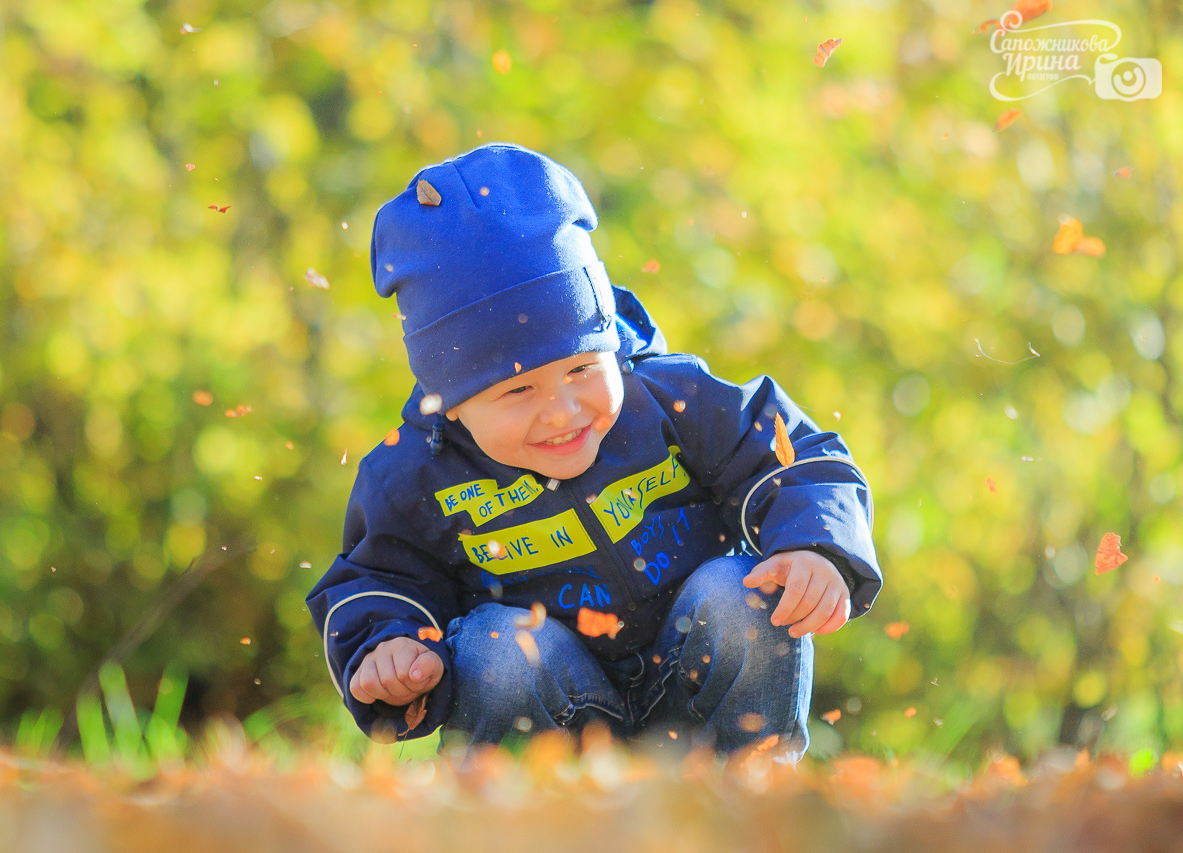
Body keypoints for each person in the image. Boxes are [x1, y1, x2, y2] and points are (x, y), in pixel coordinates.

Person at [305, 142, 882, 761]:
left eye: (582, 369)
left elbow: (793, 454)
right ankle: (519, 816)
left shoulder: (669, 399)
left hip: (696, 693)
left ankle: (749, 796)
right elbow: (377, 577)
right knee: (498, 644)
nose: (562, 410)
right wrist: (390, 648)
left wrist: (814, 545)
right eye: (519, 390)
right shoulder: (415, 475)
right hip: (552, 717)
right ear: (452, 402)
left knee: (741, 591)